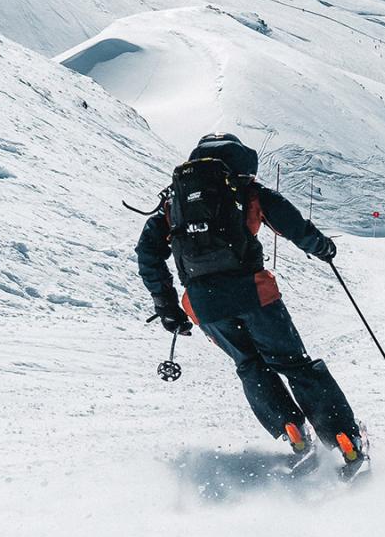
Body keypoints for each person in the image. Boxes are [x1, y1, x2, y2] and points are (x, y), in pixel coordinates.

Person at [136, 133, 367, 467]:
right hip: (253, 292)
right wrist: (322, 248)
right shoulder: (247, 191)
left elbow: (148, 253)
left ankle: (291, 430)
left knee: (248, 365)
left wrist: (166, 305)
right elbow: (292, 224)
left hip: (203, 305)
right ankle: (343, 437)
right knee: (293, 363)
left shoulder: (175, 203)